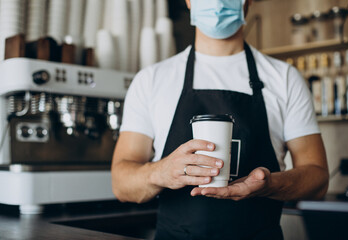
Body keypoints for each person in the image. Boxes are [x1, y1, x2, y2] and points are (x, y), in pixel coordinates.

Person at [111, 0, 329, 239]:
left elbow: (317, 180)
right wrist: (160, 172)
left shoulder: (285, 79)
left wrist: (270, 185)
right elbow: (121, 184)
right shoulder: (151, 81)